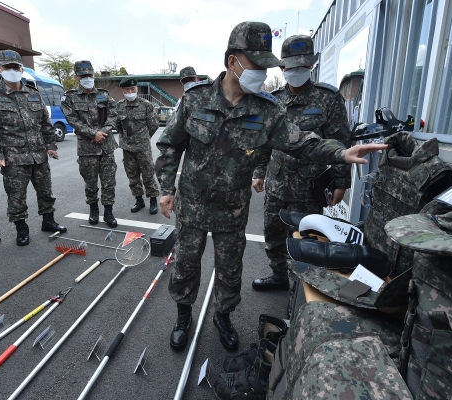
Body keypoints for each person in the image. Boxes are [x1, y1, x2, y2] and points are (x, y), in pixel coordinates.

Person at [156, 21, 386, 352]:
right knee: (185, 266)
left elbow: (302, 141)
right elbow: (169, 146)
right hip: (192, 206)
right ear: (232, 61)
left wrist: (340, 152)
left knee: (230, 271)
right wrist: (166, 188)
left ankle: (223, 316)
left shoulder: (266, 110)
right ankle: (183, 315)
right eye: (256, 63)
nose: (263, 72)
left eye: (267, 64)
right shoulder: (195, 100)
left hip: (233, 211)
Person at [251, 35, 351, 291]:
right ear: (282, 67)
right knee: (273, 236)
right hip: (276, 183)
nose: (295, 72)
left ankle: (302, 290)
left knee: (306, 241)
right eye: (290, 67)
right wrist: (259, 172)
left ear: (311, 65)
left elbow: (339, 143)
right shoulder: (272, 100)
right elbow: (266, 141)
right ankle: (279, 276)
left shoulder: (328, 99)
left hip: (308, 187)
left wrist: (341, 182)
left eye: (301, 66)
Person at [0, 50, 65, 246]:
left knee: (45, 191)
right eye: (7, 67)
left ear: (21, 69)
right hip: (13, 158)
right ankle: (21, 229)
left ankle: (48, 221)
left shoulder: (33, 94)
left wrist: (51, 145)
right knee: (16, 196)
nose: (12, 70)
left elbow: (45, 123)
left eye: (15, 67)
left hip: (38, 155)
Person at [60, 61, 118, 228]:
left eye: (90, 75)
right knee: (90, 182)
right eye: (83, 76)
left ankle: (108, 212)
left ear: (94, 75)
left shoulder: (104, 95)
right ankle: (93, 209)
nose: (87, 78)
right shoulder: (69, 97)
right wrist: (94, 134)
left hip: (106, 146)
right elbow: (73, 120)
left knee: (109, 182)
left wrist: (102, 132)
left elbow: (114, 115)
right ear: (76, 77)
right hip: (87, 148)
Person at [116, 77, 160, 215]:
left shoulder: (146, 105)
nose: (130, 92)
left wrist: (143, 138)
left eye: (133, 89)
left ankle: (153, 200)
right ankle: (139, 200)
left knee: (148, 175)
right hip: (127, 148)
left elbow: (153, 125)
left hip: (143, 148)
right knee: (132, 176)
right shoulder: (119, 106)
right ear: (123, 90)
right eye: (127, 90)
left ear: (137, 89)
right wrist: (127, 139)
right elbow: (118, 126)